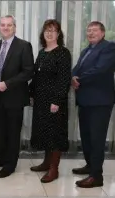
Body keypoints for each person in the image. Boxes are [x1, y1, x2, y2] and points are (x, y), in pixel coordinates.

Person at [0, 15, 34, 178]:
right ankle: (1, 158)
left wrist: (7, 83)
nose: (5, 28)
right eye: (2, 25)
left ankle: (10, 165)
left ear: (14, 27)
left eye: (9, 25)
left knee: (13, 132)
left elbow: (28, 72)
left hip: (15, 96)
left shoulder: (24, 46)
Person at [71, 21, 115, 188]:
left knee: (97, 139)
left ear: (103, 33)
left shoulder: (109, 47)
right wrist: (73, 77)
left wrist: (79, 79)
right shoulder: (86, 50)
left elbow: (100, 69)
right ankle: (90, 166)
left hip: (100, 102)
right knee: (87, 137)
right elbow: (77, 68)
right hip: (85, 100)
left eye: (95, 30)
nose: (91, 33)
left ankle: (97, 176)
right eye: (88, 31)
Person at [29, 19, 72, 183]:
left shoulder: (63, 52)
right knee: (45, 131)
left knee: (55, 134)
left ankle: (54, 169)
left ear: (58, 34)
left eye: (53, 30)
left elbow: (64, 79)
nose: (49, 33)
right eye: (47, 30)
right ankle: (46, 163)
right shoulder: (42, 52)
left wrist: (56, 100)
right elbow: (36, 76)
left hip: (55, 101)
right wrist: (31, 93)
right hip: (41, 100)